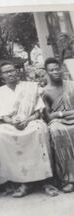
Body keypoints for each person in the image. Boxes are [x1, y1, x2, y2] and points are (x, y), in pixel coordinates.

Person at [0, 61, 57, 198]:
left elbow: (38, 112)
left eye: (12, 70)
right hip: (10, 124)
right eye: (6, 72)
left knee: (38, 130)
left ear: (17, 72)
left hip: (31, 120)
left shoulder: (30, 88)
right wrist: (13, 122)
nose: (10, 73)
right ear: (1, 76)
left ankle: (45, 180)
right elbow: (2, 116)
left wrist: (27, 120)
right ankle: (21, 181)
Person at [43, 57, 74, 193]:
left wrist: (61, 113)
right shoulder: (45, 91)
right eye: (52, 70)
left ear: (61, 69)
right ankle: (68, 179)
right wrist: (62, 114)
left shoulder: (71, 85)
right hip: (57, 122)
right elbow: (49, 116)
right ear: (47, 72)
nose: (55, 72)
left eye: (57, 69)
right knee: (56, 130)